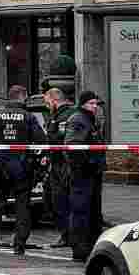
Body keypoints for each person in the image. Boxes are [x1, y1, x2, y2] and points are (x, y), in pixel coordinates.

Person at [0, 84, 47, 255]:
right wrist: (35, 163)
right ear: (22, 97)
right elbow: (40, 142)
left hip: (0, 167)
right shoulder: (28, 117)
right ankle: (19, 244)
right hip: (22, 168)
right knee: (22, 207)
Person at [65, 91, 107, 262]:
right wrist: (84, 165)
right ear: (82, 104)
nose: (95, 107)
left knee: (93, 212)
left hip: (92, 173)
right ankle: (80, 248)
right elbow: (73, 147)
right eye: (91, 103)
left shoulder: (90, 119)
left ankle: (90, 247)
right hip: (82, 174)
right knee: (81, 211)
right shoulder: (78, 119)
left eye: (96, 104)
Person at [42, 87, 76, 248]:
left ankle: (69, 235)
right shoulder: (56, 115)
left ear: (54, 100)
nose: (46, 105)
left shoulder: (66, 115)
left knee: (62, 200)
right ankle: (66, 234)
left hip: (64, 164)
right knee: (54, 200)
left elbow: (60, 139)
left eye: (47, 102)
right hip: (55, 164)